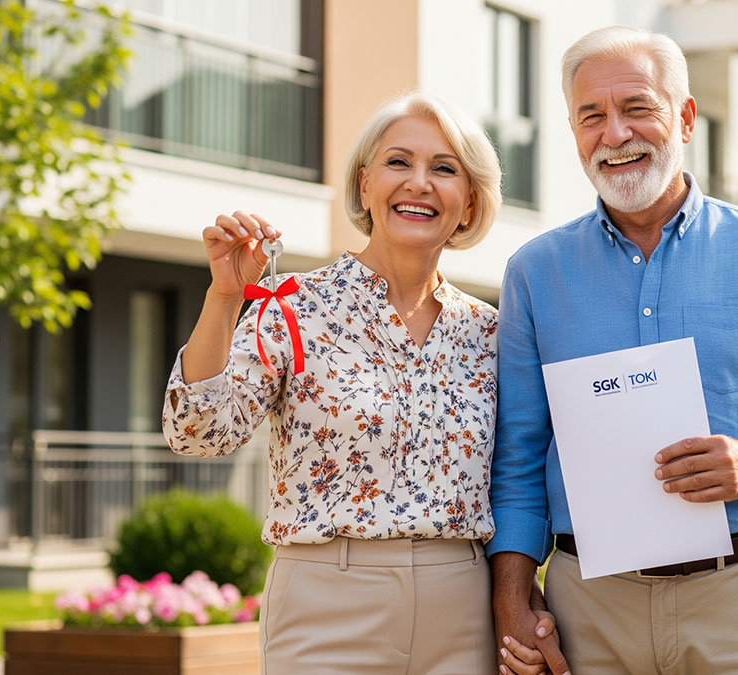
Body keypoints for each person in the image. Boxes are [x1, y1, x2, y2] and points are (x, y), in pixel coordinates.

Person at [489, 26, 738, 675]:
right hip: (592, 609)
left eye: (637, 107)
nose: (615, 133)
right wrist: (511, 601)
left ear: (686, 117)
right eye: (592, 116)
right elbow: (517, 455)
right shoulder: (533, 273)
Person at [162, 93, 554, 674]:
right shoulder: (293, 308)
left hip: (463, 609)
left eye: (444, 169)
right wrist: (224, 297)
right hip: (325, 607)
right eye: (399, 163)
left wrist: (519, 596)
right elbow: (197, 435)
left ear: (469, 203)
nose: (419, 182)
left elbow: (517, 477)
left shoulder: (492, 333)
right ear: (365, 184)